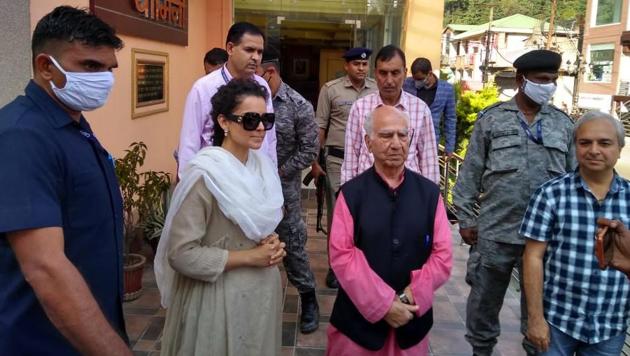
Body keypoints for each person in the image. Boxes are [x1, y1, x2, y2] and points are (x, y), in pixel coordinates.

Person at [0, 6, 130, 355]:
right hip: (43, 341)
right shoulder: (21, 136)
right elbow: (46, 268)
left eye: (109, 69)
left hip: (87, 332)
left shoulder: (72, 125)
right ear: (46, 67)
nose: (103, 79)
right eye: (89, 66)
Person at [452, 49, 576, 356]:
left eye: (552, 80)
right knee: (483, 305)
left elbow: (574, 179)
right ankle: (481, 352)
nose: (549, 85)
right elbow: (470, 172)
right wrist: (466, 219)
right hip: (495, 232)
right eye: (542, 79)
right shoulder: (492, 119)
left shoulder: (563, 124)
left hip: (545, 239)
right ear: (522, 80)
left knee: (538, 313)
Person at [156, 79, 286, 355]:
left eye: (267, 119)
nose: (261, 127)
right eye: (251, 120)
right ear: (224, 122)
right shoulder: (206, 175)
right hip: (218, 300)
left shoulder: (262, 167)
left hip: (260, 297)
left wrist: (272, 243)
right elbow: (181, 254)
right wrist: (250, 257)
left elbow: (255, 225)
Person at [326, 105, 452, 355]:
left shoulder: (429, 194)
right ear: (368, 142)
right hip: (358, 326)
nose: (396, 144)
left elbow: (443, 255)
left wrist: (409, 297)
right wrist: (383, 304)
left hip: (411, 322)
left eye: (402, 135)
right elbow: (342, 255)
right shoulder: (351, 194)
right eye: (386, 135)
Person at [521, 111, 630, 355]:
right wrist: (535, 318)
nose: (594, 150)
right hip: (558, 321)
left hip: (610, 324)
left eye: (604, 143)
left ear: (620, 148)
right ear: (575, 146)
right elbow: (532, 257)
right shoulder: (550, 195)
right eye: (585, 142)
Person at [257, 47, 321, 333]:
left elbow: (309, 149)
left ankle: (308, 298)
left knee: (292, 244)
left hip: (284, 190)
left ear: (268, 72)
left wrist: (279, 171)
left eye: (256, 71)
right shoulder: (246, 99)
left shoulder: (298, 105)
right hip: (246, 187)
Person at [177, 22, 277, 179]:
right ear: (230, 48)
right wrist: (188, 185)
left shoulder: (262, 85)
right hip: (216, 180)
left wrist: (272, 177)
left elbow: (270, 140)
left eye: (260, 52)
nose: (256, 57)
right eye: (249, 50)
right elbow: (189, 144)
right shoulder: (203, 88)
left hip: (256, 179)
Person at [314, 47, 377, 288]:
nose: (361, 68)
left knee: (366, 213)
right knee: (339, 214)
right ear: (347, 66)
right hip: (338, 160)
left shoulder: (376, 89)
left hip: (369, 160)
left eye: (364, 64)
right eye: (356, 64)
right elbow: (320, 126)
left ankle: (362, 263)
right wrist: (315, 160)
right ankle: (336, 267)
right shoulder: (331, 90)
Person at [341, 45, 439, 186]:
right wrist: (349, 197)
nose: (389, 80)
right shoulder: (360, 108)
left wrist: (429, 200)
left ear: (405, 73)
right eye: (383, 73)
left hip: (409, 193)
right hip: (367, 192)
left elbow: (429, 162)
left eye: (395, 73)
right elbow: (351, 158)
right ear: (375, 74)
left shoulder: (420, 109)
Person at [403, 57, 457, 157]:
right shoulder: (406, 84)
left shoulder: (447, 89)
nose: (416, 82)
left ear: (430, 74)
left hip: (431, 141)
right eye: (414, 79)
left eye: (419, 79)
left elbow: (450, 119)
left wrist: (449, 147)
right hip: (408, 140)